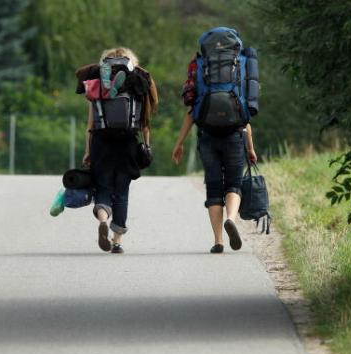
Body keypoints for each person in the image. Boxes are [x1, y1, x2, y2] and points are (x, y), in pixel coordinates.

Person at [171, 28, 258, 253]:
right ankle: (231, 218)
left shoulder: (199, 66)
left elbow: (191, 109)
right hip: (235, 134)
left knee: (213, 187)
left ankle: (218, 240)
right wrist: (251, 147)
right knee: (233, 184)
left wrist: (179, 143)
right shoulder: (241, 63)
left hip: (207, 135)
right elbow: (246, 110)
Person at [76, 47, 158, 254]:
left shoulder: (96, 84)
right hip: (127, 141)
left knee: (103, 188)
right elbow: (145, 122)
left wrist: (87, 150)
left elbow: (91, 123)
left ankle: (103, 220)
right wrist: (146, 145)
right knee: (121, 191)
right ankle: (117, 241)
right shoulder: (138, 82)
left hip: (101, 141)